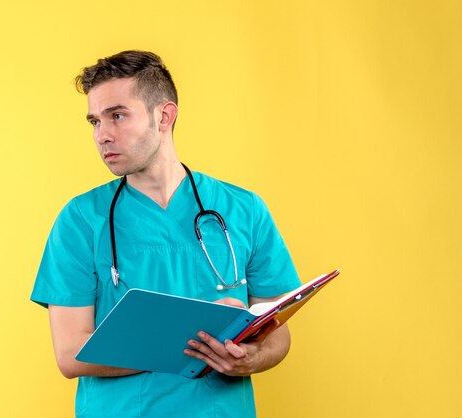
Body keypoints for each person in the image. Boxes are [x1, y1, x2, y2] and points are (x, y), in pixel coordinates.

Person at [30, 50, 301, 417]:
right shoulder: (80, 219)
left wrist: (251, 358)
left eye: (118, 116)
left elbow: (277, 334)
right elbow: (70, 354)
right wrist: (195, 346)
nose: (102, 135)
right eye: (95, 121)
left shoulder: (243, 209)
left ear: (164, 116)